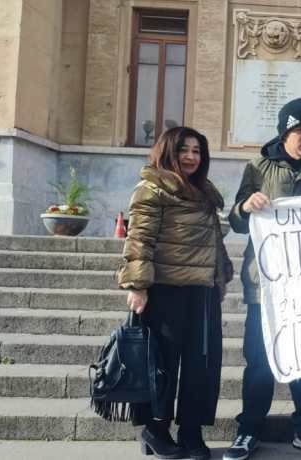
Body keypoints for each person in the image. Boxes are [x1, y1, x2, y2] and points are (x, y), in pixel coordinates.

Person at [223, 98, 301, 460]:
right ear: (284, 133)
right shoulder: (259, 167)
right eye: (299, 130)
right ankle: (249, 430)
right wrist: (246, 207)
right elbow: (235, 219)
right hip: (265, 288)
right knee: (259, 363)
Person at [118, 126, 233, 460]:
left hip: (202, 293)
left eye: (197, 151)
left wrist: (221, 277)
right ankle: (155, 429)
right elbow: (138, 238)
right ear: (169, 151)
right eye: (184, 149)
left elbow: (213, 240)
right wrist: (138, 286)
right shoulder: (152, 188)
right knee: (162, 365)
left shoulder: (204, 192)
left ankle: (192, 431)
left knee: (202, 365)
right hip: (165, 291)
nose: (191, 157)